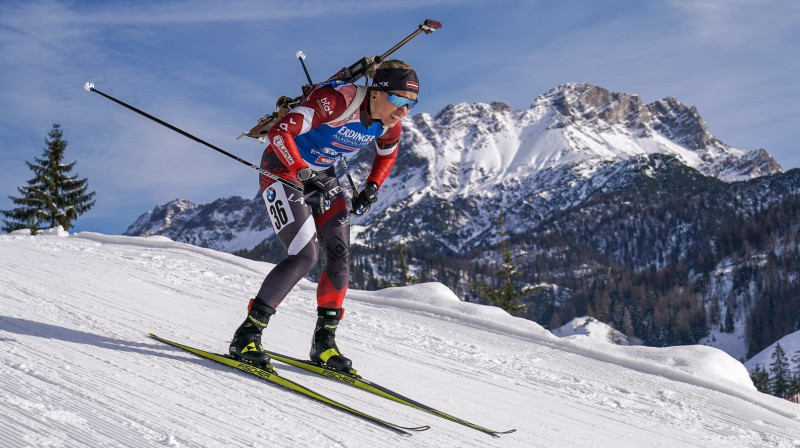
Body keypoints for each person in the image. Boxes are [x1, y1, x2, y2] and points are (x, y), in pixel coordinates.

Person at [228, 60, 419, 374]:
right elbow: (279, 132)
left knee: (340, 255)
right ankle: (247, 335)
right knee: (304, 255)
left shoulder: (389, 123)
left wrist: (372, 186)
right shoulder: (337, 101)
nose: (403, 110)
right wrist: (303, 174)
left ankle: (324, 344)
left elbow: (388, 153)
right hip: (282, 166)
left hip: (321, 174)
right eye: (398, 100)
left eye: (411, 104)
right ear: (376, 93)